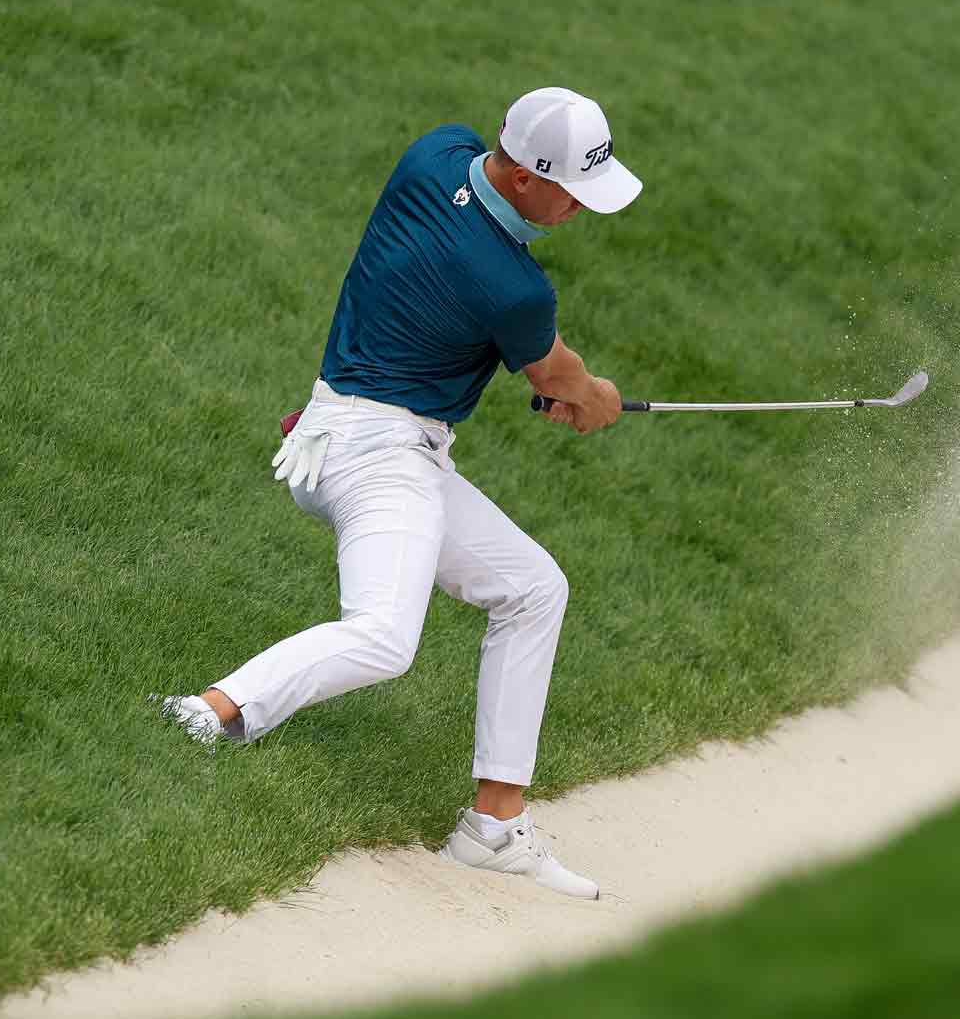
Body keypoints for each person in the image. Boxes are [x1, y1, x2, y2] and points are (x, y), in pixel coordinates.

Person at [161, 87, 640, 899]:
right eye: (570, 191)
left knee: (533, 589)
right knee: (385, 637)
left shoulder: (435, 154)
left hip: (336, 434)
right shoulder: (519, 290)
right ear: (523, 177)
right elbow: (563, 380)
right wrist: (597, 396)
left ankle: (494, 827)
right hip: (377, 459)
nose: (580, 209)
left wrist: (556, 381)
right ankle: (208, 710)